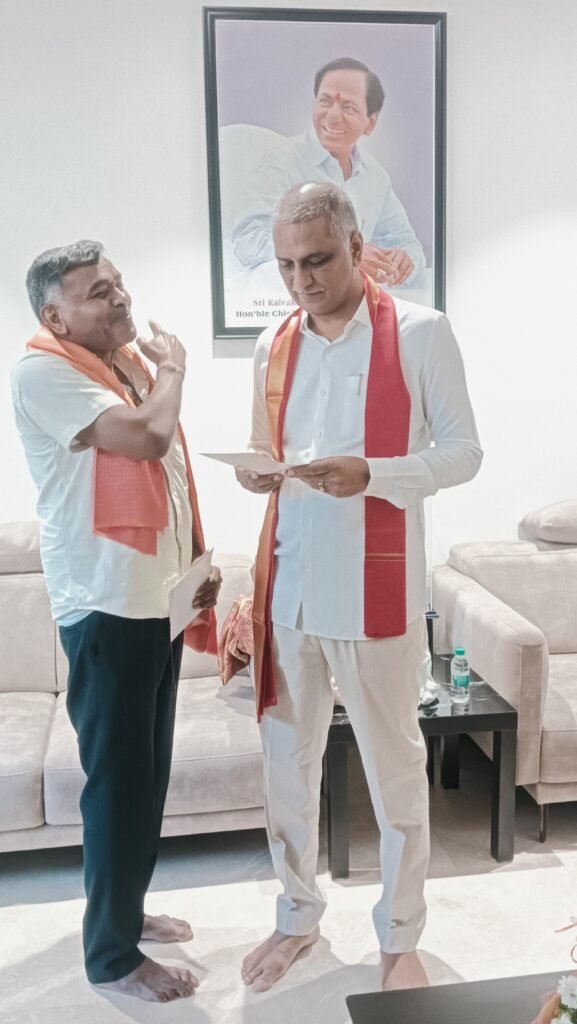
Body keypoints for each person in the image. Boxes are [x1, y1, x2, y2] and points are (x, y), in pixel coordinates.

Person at [235, 183, 483, 993]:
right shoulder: (272, 343)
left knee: (393, 767)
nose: (299, 281)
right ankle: (295, 915)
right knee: (285, 765)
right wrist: (254, 474)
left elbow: (463, 453)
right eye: (284, 265)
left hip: (375, 589)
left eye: (314, 261)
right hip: (288, 590)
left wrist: (372, 474)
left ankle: (399, 935)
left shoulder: (419, 331)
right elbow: (263, 446)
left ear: (353, 246)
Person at [11, 241, 222, 1003]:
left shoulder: (123, 363)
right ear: (55, 315)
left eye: (118, 283)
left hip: (152, 599)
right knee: (119, 785)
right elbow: (147, 437)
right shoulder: (44, 372)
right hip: (106, 607)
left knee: (146, 777)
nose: (120, 297)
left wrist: (192, 563)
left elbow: (167, 477)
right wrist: (175, 371)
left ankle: (125, 913)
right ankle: (110, 956)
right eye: (98, 292)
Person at [231, 57, 426, 288]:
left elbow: (406, 242)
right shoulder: (279, 162)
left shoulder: (375, 177)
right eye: (325, 101)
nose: (333, 115)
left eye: (348, 107)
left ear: (370, 123)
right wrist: (339, 255)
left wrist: (404, 261)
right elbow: (248, 241)